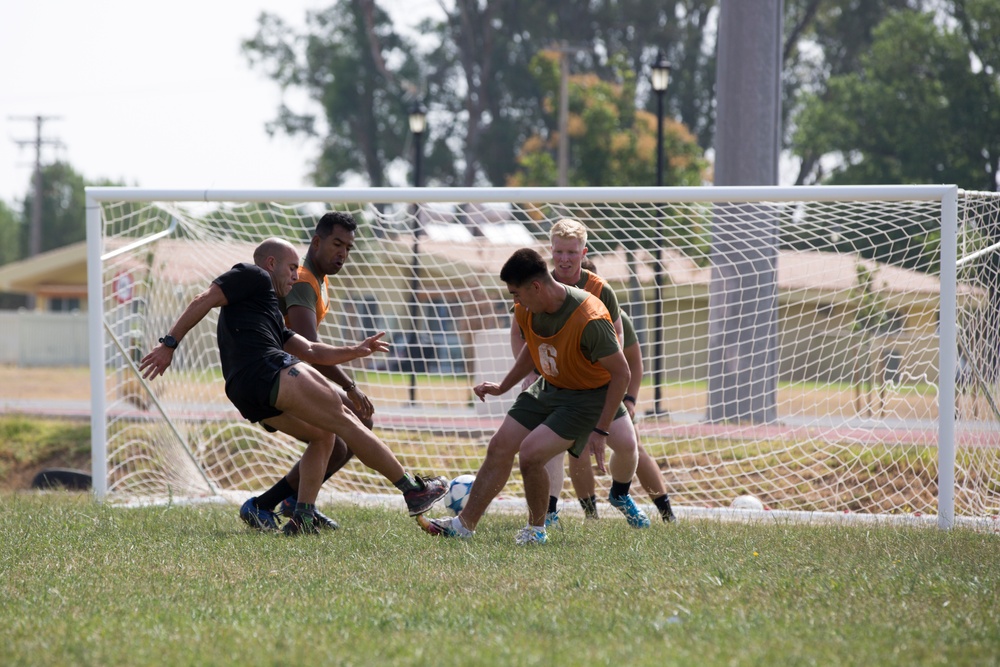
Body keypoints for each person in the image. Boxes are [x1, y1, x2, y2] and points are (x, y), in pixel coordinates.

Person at [139, 237, 448, 535]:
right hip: (268, 371)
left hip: (245, 392)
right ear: (270, 264)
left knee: (323, 434)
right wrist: (169, 344)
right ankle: (412, 490)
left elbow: (312, 351)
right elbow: (203, 299)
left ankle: (302, 516)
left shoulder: (267, 311)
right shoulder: (254, 275)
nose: (296, 275)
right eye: (291, 268)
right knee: (347, 419)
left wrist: (355, 350)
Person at [417, 247, 648, 544]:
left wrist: (601, 429)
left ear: (536, 287)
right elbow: (533, 347)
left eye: (516, 294)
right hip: (550, 387)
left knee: (531, 453)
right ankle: (463, 525)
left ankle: (536, 530)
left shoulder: (588, 317)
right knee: (500, 445)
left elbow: (622, 373)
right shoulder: (528, 307)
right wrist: (503, 385)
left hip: (587, 397)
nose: (515, 301)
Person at [513, 219, 674, 525]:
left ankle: (626, 496)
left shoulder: (601, 291)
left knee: (629, 444)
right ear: (550, 252)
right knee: (557, 452)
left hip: (598, 388)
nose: (564, 258)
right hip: (557, 386)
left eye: (571, 252)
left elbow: (627, 355)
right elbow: (519, 333)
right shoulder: (535, 286)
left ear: (583, 252)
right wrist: (530, 372)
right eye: (559, 251)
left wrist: (628, 398)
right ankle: (553, 514)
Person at [239, 212, 373, 531]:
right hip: (275, 381)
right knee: (347, 430)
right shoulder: (302, 280)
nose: (342, 254)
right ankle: (275, 505)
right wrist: (350, 387)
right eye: (336, 244)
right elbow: (309, 349)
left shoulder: (317, 279)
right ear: (316, 242)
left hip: (285, 377)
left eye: (348, 248)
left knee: (350, 430)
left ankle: (290, 503)